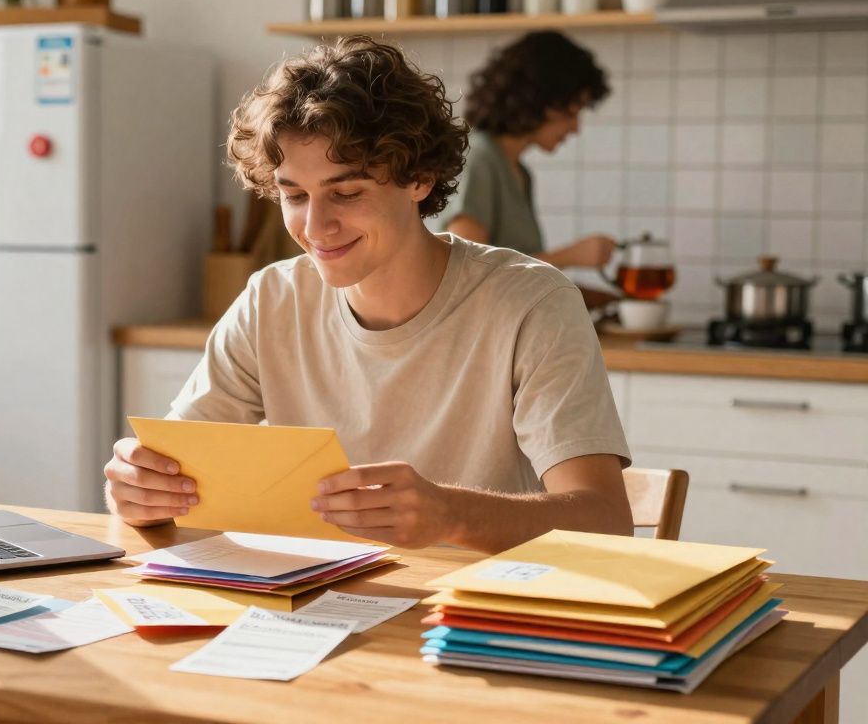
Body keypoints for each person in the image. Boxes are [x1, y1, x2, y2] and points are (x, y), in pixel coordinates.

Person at [104, 36, 632, 554]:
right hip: (313, 607)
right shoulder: (271, 300)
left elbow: (605, 522)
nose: (316, 226)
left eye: (347, 192)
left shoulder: (532, 303)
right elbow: (169, 477)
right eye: (294, 195)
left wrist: (450, 515)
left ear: (419, 178)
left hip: (471, 618)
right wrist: (137, 489)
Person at [429, 31, 617, 272]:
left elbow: (518, 277)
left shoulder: (518, 172)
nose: (575, 128)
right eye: (572, 110)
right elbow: (469, 269)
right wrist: (569, 256)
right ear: (539, 99)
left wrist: (593, 297)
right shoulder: (480, 159)